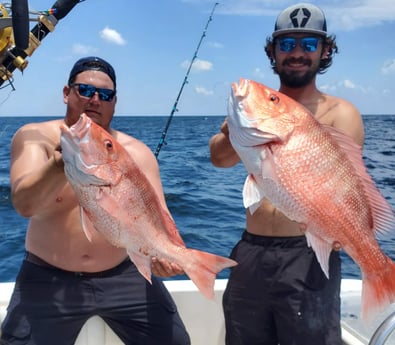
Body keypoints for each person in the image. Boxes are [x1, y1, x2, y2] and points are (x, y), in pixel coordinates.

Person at [1, 56, 190, 345]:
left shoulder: (137, 153)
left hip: (123, 274)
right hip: (47, 277)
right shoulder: (34, 137)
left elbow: (160, 216)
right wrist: (59, 164)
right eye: (85, 90)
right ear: (67, 93)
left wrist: (168, 254)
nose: (95, 100)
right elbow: (24, 205)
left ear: (115, 103)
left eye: (106, 95)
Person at [209, 3, 365, 345]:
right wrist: (234, 130)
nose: (297, 53)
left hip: (308, 253)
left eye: (308, 45)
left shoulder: (342, 113)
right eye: (287, 44)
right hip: (251, 252)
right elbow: (219, 160)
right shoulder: (259, 106)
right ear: (273, 51)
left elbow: (349, 185)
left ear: (324, 51)